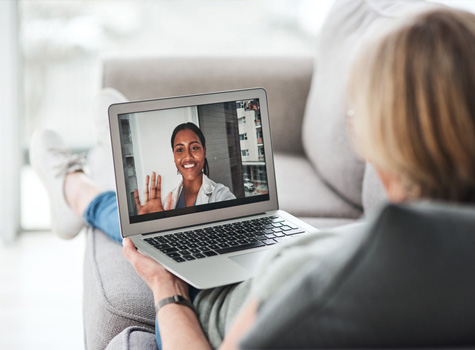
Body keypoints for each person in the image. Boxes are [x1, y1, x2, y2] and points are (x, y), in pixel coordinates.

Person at [30, 7, 475, 349]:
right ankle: (77, 188)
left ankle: (73, 187)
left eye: (358, 116)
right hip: (280, 252)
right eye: (178, 150)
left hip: (209, 304)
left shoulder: (314, 281)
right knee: (156, 218)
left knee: (151, 229)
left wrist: (167, 286)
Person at [133, 122, 235, 215]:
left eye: (194, 148)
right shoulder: (168, 202)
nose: (188, 156)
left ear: (204, 151)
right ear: (174, 156)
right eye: (180, 149)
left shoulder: (221, 195)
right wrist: (153, 225)